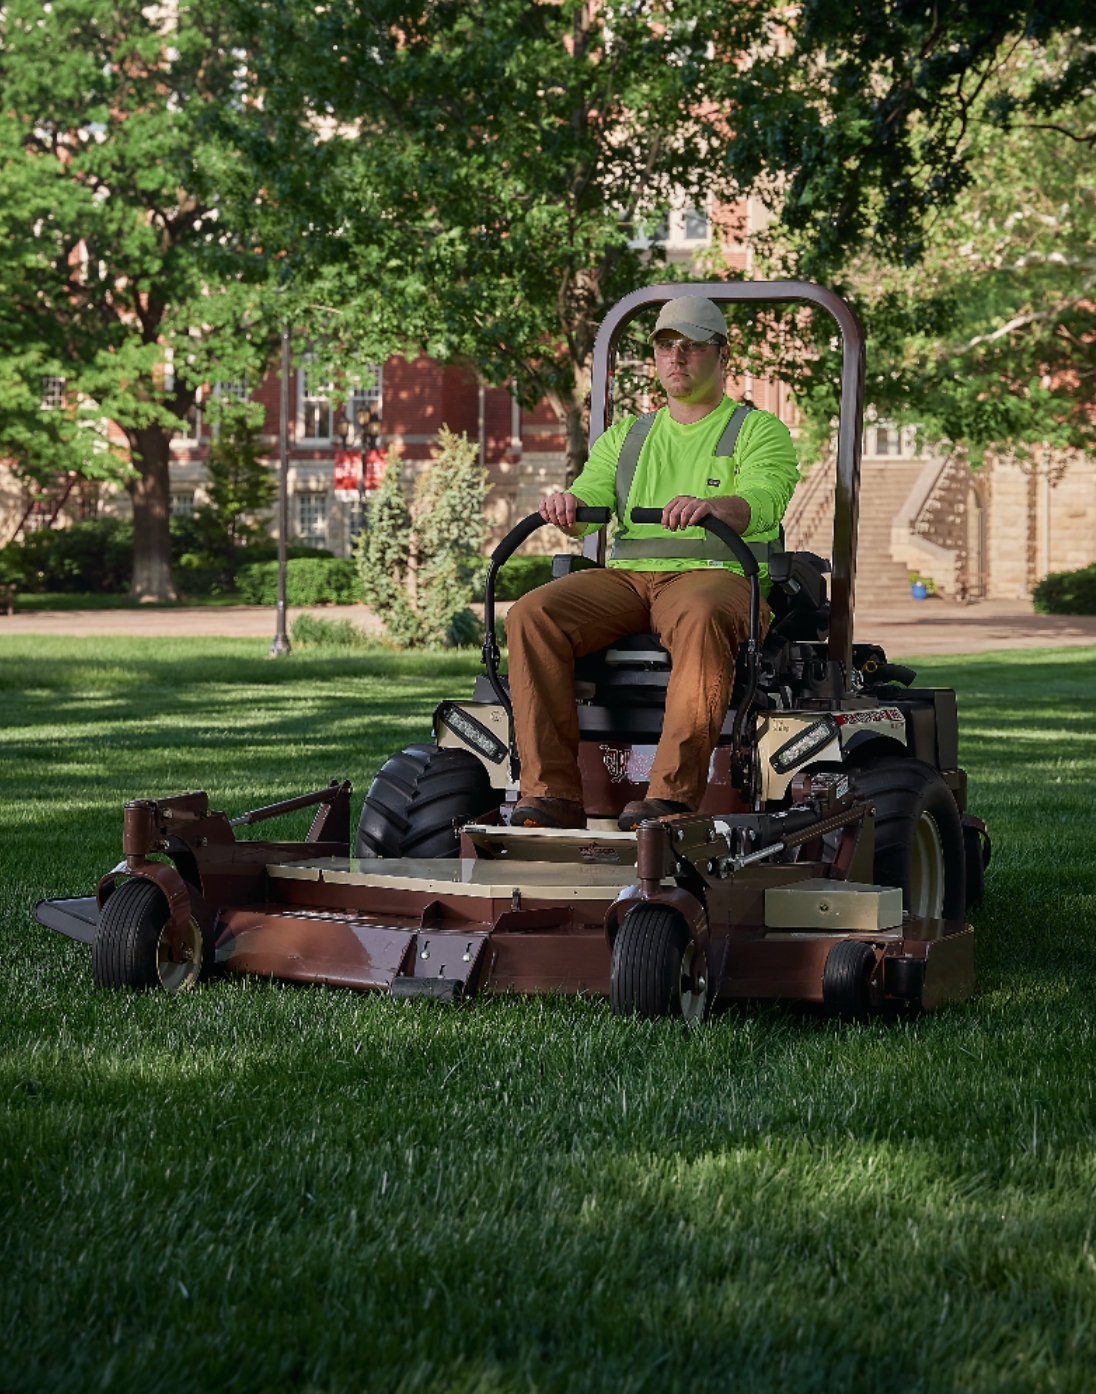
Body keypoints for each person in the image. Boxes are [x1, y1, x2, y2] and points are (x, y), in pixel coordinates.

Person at [506, 296, 800, 831]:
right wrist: (567, 507)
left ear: (722, 354)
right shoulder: (627, 438)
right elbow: (589, 500)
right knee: (531, 613)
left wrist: (718, 507)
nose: (676, 357)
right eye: (666, 346)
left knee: (701, 614)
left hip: (718, 580)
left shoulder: (758, 431)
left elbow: (765, 497)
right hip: (628, 582)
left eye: (691, 346)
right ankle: (550, 794)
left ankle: (670, 797)